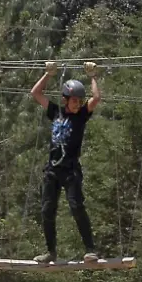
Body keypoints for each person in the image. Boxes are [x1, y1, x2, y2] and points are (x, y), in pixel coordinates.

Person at [28, 60, 105, 265]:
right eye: (74, 101)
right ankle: (50, 251)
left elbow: (96, 98)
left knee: (76, 206)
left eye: (79, 101)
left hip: (70, 170)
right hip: (52, 170)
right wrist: (48, 74)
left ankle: (90, 249)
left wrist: (93, 77)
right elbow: (35, 93)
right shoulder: (55, 112)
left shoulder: (81, 116)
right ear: (65, 100)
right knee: (47, 209)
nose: (77, 104)